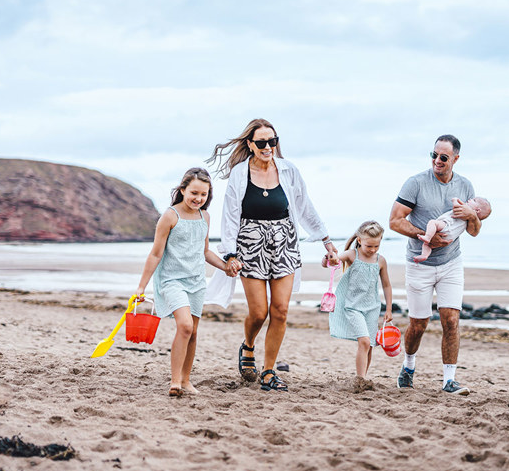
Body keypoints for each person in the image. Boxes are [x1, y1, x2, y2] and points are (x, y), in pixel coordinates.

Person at [205, 118, 338, 392]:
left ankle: (268, 371)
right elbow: (230, 215)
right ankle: (248, 346)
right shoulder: (240, 174)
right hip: (249, 246)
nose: (268, 147)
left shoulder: (289, 170)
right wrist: (229, 254)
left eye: (272, 141)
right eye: (262, 142)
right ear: (251, 144)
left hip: (284, 244)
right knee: (258, 312)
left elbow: (304, 206)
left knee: (280, 311)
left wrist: (326, 240)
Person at [389, 135, 485, 395]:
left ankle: (449, 380)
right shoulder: (416, 183)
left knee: (451, 321)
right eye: (433, 155)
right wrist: (425, 235)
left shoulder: (465, 186)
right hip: (419, 264)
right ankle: (408, 367)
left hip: (452, 263)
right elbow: (395, 221)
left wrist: (472, 215)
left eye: (443, 157)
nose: (437, 161)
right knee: (419, 324)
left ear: (455, 158)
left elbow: (474, 230)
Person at [135, 167, 233, 397]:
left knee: (194, 331)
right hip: (171, 280)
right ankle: (175, 381)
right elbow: (155, 254)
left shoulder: (204, 217)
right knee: (185, 326)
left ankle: (186, 380)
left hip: (197, 282)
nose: (198, 199)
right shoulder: (170, 216)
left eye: (204, 195)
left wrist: (226, 267)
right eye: (194, 193)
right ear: (182, 190)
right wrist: (141, 287)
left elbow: (205, 252)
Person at [322, 220, 393, 382]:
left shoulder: (380, 261)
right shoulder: (352, 255)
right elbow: (330, 261)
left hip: (372, 308)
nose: (372, 250)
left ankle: (363, 377)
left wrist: (388, 309)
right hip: (353, 307)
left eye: (376, 246)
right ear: (360, 240)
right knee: (365, 341)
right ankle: (360, 379)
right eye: (369, 246)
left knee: (369, 347)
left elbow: (387, 286)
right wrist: (329, 258)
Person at [413, 197, 492, 263]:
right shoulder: (470, 220)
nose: (470, 199)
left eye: (474, 200)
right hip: (449, 237)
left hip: (447, 226)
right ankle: (425, 255)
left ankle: (427, 236)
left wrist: (455, 200)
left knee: (432, 223)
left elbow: (456, 208)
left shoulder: (465, 210)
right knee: (428, 244)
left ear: (477, 210)